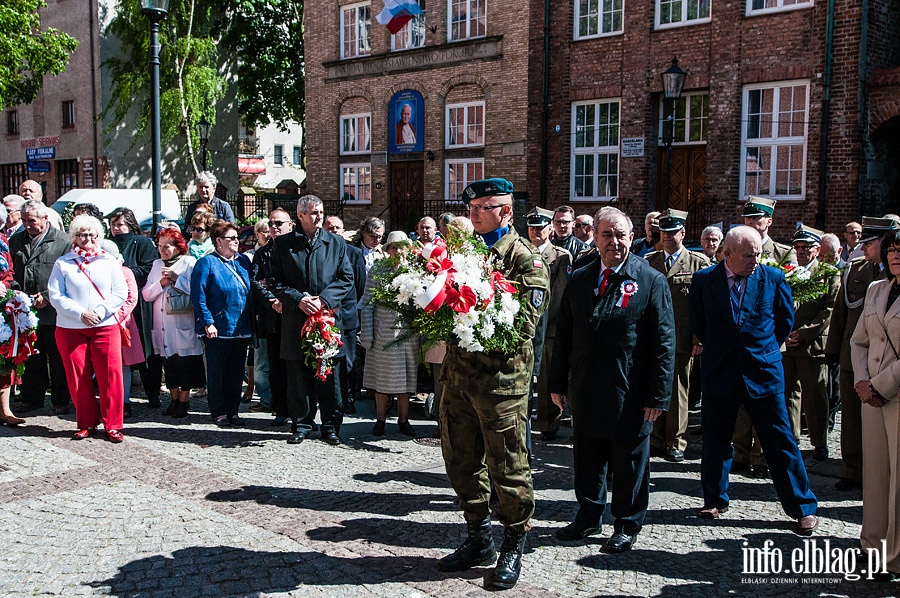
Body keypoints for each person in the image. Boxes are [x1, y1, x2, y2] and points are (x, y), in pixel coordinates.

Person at [436, 178, 548, 590]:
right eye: (472, 207)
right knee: (461, 461)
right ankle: (478, 538)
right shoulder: (462, 253)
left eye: (484, 206)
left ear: (506, 211)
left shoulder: (525, 261)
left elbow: (521, 328)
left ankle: (513, 542)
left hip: (501, 385)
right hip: (459, 380)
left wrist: (468, 317)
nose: (474, 212)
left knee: (508, 468)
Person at [549, 207, 675, 552]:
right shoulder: (580, 278)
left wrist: (658, 395)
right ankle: (589, 514)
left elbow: (665, 342)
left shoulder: (650, 280)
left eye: (621, 235)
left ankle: (627, 522)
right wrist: (557, 382)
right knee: (588, 456)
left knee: (629, 460)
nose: (614, 242)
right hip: (588, 386)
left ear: (631, 238)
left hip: (630, 390)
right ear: (595, 237)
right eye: (607, 234)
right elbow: (565, 334)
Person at [689, 225, 819, 534]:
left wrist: (760, 350)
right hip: (721, 371)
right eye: (748, 255)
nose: (755, 260)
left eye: (758, 254)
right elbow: (699, 322)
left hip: (762, 372)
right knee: (716, 439)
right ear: (727, 254)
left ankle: (803, 507)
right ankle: (714, 499)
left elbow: (784, 322)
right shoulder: (705, 280)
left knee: (780, 441)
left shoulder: (772, 278)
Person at [269, 195, 353, 446]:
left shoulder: (336, 243)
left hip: (327, 319)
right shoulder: (283, 245)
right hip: (298, 320)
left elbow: (346, 278)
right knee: (298, 375)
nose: (318, 216)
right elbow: (273, 280)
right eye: (313, 212)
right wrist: (298, 299)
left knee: (329, 376)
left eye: (321, 212)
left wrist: (324, 300)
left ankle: (331, 426)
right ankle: (302, 424)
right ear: (300, 215)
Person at [825, 216, 898, 491]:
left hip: (888, 361)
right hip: (852, 355)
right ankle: (853, 469)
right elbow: (841, 313)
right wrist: (832, 350)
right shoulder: (856, 269)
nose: (863, 248)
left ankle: (884, 472)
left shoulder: (892, 275)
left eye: (870, 243)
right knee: (852, 418)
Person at [48, 215, 128, 442]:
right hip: (71, 326)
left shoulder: (109, 261)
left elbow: (120, 292)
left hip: (104, 326)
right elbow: (56, 295)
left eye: (92, 234)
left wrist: (100, 312)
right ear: (74, 236)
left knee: (110, 375)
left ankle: (113, 424)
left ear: (99, 236)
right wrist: (80, 313)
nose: (88, 239)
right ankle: (86, 422)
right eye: (82, 234)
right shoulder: (63, 263)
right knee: (78, 376)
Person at [849, 228, 900, 581]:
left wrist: (881, 384)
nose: (896, 254)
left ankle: (895, 556)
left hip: (896, 394)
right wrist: (863, 383)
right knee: (876, 475)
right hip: (871, 395)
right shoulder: (875, 289)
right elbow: (859, 340)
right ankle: (872, 545)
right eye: (892, 249)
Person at [646, 209, 709, 463]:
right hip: (654, 336)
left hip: (683, 336)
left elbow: (704, 304)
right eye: (664, 232)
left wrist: (699, 338)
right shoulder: (650, 260)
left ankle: (676, 441)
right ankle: (656, 437)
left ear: (683, 233)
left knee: (679, 390)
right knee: (655, 387)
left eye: (672, 232)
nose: (668, 237)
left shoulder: (698, 263)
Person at [782, 225, 839, 461]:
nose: (801, 251)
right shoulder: (787, 271)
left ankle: (819, 442)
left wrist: (803, 333)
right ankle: (791, 439)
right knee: (788, 394)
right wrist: (785, 332)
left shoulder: (828, 273)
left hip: (812, 344)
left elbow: (829, 310)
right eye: (797, 247)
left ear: (817, 250)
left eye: (806, 247)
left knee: (815, 395)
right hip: (787, 343)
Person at [9, 200, 71, 414]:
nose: (27, 225)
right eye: (24, 220)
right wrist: (16, 291)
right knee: (30, 356)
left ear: (45, 219)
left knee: (57, 358)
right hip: (26, 311)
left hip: (54, 312)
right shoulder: (17, 240)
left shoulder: (63, 242)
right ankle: (31, 398)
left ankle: (61, 400)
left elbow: (69, 276)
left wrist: (47, 296)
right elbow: (12, 271)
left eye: (32, 221)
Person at [191, 221, 254, 427]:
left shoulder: (243, 262)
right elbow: (198, 296)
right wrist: (208, 321)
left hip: (241, 327)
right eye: (232, 238)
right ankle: (218, 410)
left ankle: (233, 410)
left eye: (237, 238)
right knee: (218, 371)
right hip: (218, 327)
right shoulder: (206, 263)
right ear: (218, 241)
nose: (237, 241)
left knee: (236, 372)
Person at [360, 231, 420, 437]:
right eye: (393, 247)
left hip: (407, 335)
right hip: (382, 332)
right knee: (381, 383)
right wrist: (367, 334)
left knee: (406, 382)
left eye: (401, 246)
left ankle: (404, 420)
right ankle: (380, 420)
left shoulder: (414, 271)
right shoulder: (377, 270)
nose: (397, 251)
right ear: (387, 250)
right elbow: (367, 303)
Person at [142, 228, 204, 419]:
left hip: (182, 322)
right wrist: (161, 283)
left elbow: (197, 290)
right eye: (160, 246)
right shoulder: (156, 265)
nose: (162, 250)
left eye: (167, 246)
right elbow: (146, 294)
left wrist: (176, 279)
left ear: (178, 247)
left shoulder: (189, 263)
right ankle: (174, 399)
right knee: (168, 365)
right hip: (162, 325)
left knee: (185, 364)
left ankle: (184, 401)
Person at [525, 207, 572, 442]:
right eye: (532, 227)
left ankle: (548, 423)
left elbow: (559, 294)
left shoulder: (560, 256)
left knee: (546, 377)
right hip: (525, 325)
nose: (536, 231)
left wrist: (541, 319)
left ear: (550, 229)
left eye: (540, 227)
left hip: (549, 326)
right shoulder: (522, 253)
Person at [108, 206, 162, 409]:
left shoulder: (142, 242)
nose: (116, 228)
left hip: (139, 304)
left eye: (119, 224)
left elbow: (149, 267)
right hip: (115, 304)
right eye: (113, 224)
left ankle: (153, 393)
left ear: (130, 224)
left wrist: (125, 273)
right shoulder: (109, 244)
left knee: (148, 351)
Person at [250, 209, 294, 425]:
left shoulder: (298, 248)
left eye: (278, 223)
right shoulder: (262, 253)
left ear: (290, 224)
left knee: (295, 367)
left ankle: (299, 410)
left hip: (294, 315)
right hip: (272, 318)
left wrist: (285, 300)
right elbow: (257, 282)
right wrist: (273, 301)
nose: (274, 227)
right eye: (271, 223)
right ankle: (280, 409)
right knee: (275, 366)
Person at [100, 240, 145, 419]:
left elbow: (131, 298)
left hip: (121, 324)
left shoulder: (124, 271)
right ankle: (106, 400)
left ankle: (124, 401)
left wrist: (115, 317)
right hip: (99, 322)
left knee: (123, 364)